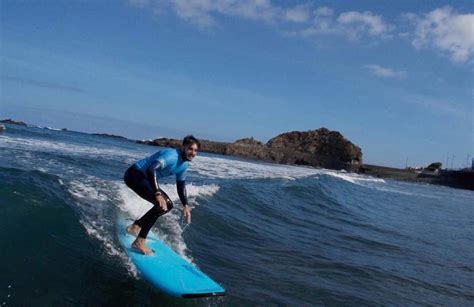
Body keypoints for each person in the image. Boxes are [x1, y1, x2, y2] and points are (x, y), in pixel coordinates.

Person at [123, 135, 200, 255]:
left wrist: (185, 205)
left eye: (196, 150)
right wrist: (157, 193)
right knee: (161, 204)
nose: (193, 153)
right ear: (183, 147)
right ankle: (139, 241)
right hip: (135, 175)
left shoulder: (183, 165)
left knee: (168, 205)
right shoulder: (171, 156)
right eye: (190, 149)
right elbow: (151, 170)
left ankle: (135, 227)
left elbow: (181, 185)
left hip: (145, 179)